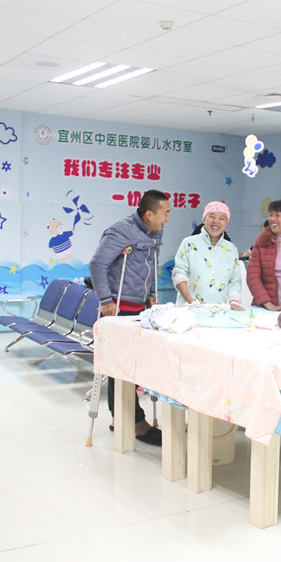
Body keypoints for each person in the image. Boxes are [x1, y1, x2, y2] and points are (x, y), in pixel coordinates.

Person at [89, 189, 170, 446]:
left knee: (133, 366)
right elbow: (97, 264)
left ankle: (121, 417)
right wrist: (105, 300)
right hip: (118, 308)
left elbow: (150, 266)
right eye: (165, 213)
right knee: (120, 368)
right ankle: (135, 422)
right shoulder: (120, 231)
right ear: (149, 215)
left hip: (140, 308)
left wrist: (151, 294)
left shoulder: (154, 232)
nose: (168, 218)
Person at [173, 201, 243, 310]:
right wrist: (192, 302)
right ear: (204, 219)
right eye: (212, 216)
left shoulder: (231, 249)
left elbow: (234, 282)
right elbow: (179, 274)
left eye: (222, 218)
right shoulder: (188, 243)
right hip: (188, 310)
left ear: (226, 223)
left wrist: (234, 302)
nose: (216, 222)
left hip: (217, 312)